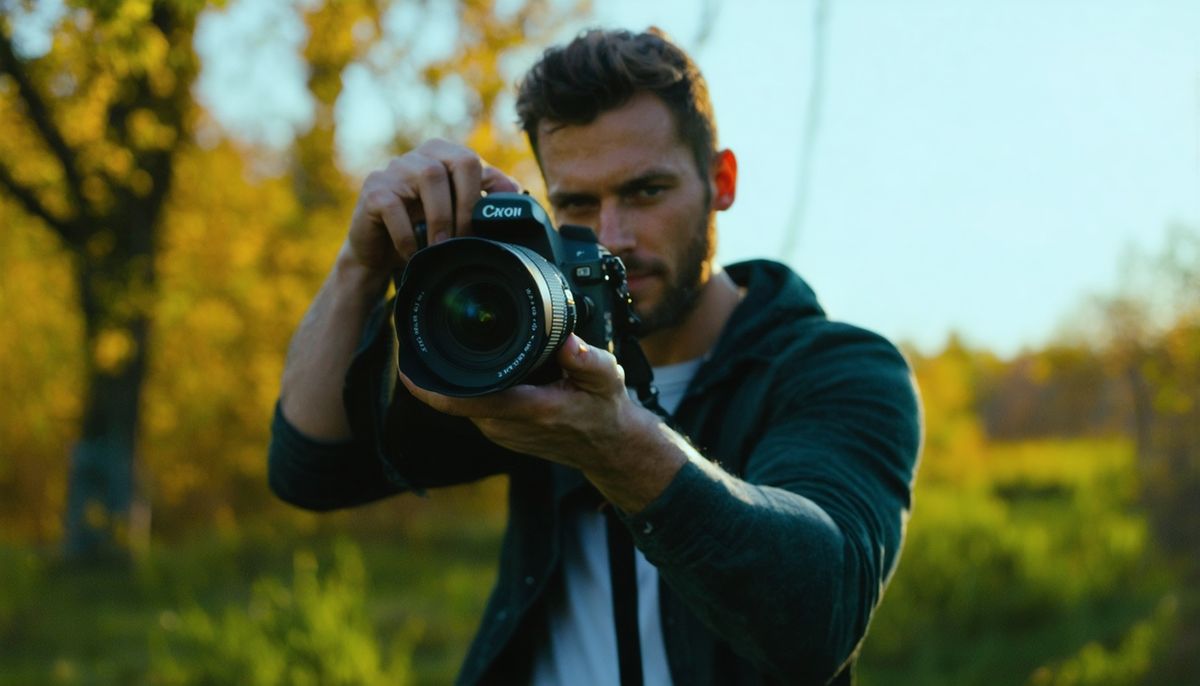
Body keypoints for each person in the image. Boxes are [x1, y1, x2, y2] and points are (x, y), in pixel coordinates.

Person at [269, 27, 921, 685]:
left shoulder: (837, 369)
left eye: (646, 191)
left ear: (720, 181)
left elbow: (819, 614)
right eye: (578, 202)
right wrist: (358, 265)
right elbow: (311, 471)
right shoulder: (532, 344)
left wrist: (616, 446)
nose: (614, 237)